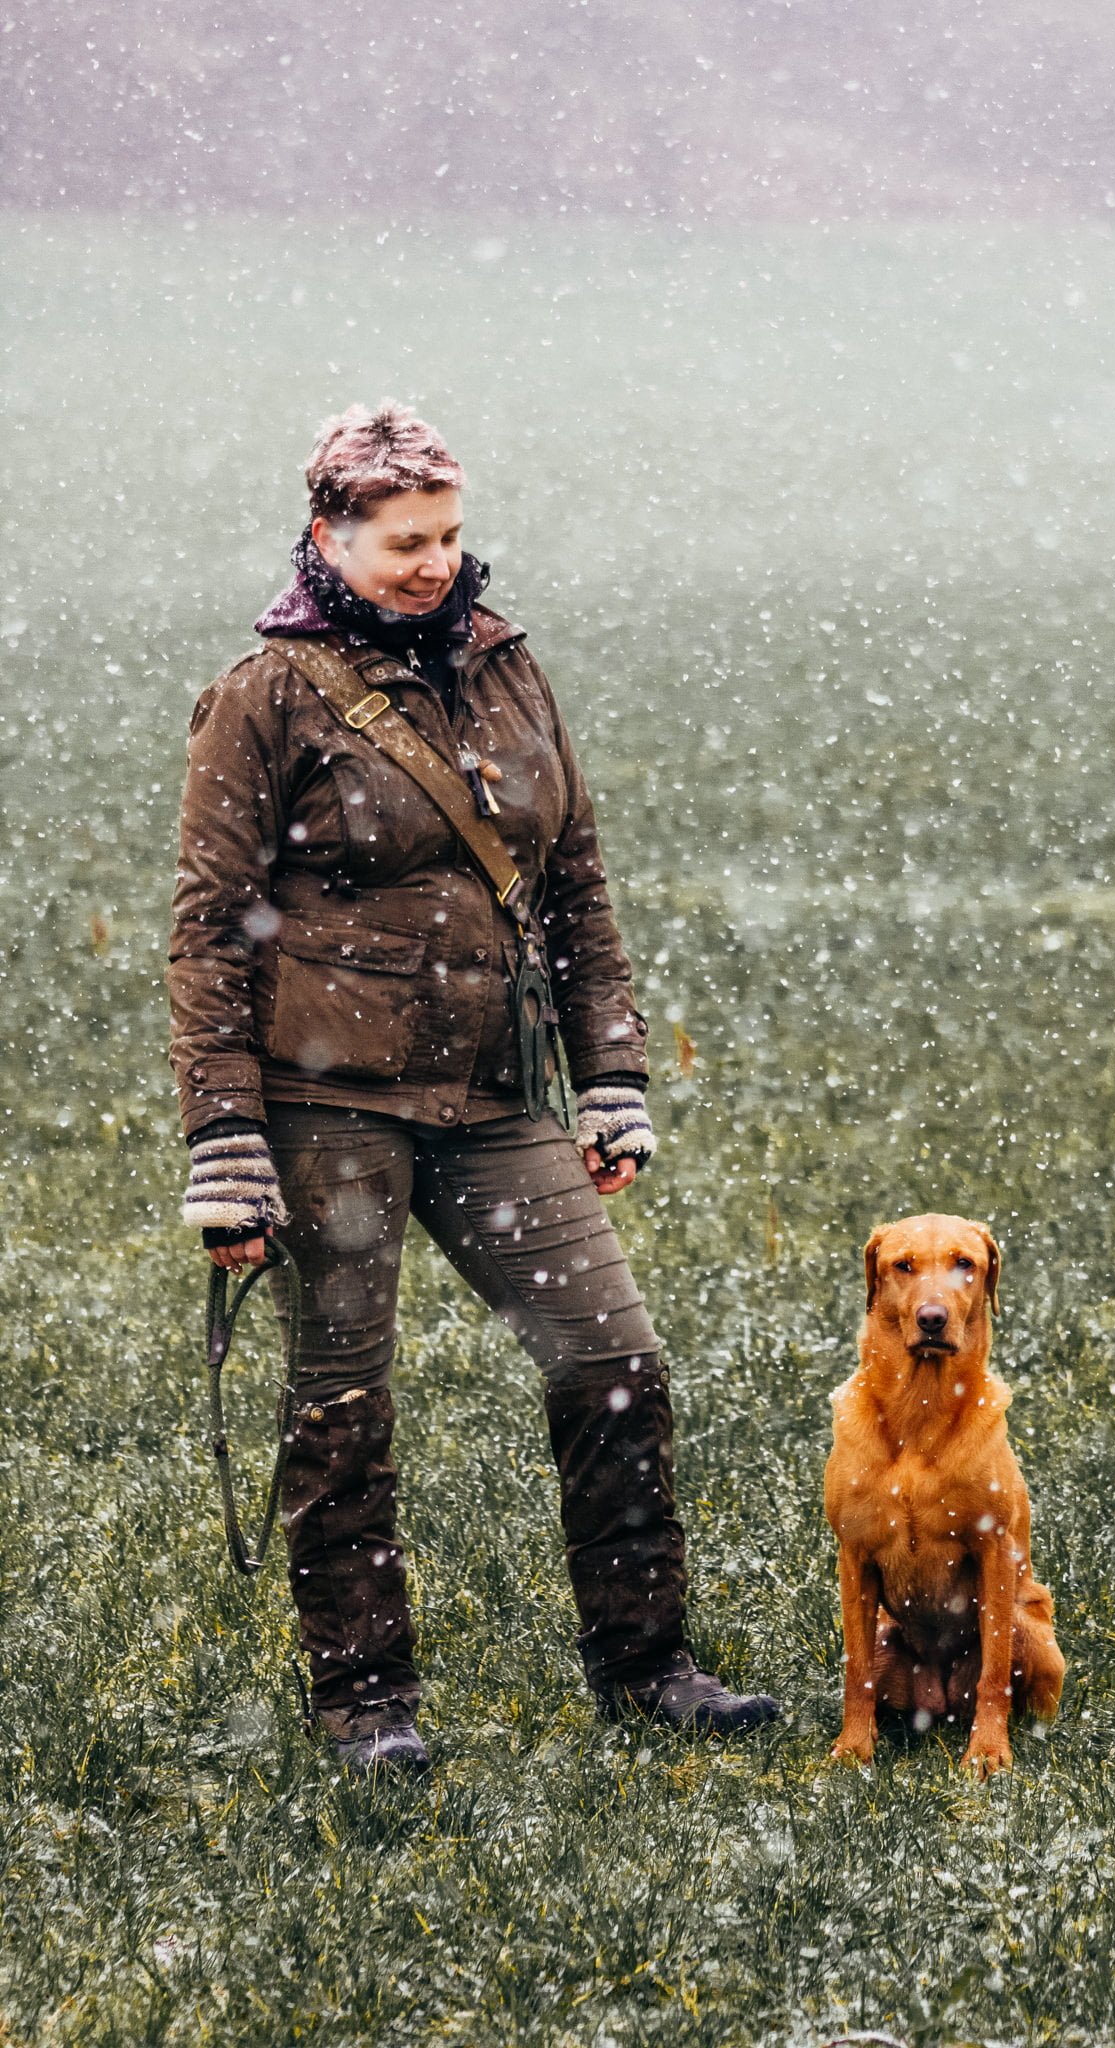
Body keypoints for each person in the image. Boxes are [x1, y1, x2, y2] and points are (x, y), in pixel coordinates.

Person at [168, 401, 779, 1774]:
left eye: (447, 535)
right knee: (343, 1406)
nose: (434, 563)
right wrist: (223, 1134)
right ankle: (366, 1709)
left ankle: (648, 1668)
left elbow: (572, 881)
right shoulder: (264, 697)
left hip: (497, 1096)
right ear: (328, 534)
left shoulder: (506, 667)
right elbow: (208, 929)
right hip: (328, 1106)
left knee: (614, 1365)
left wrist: (611, 1072)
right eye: (402, 542)